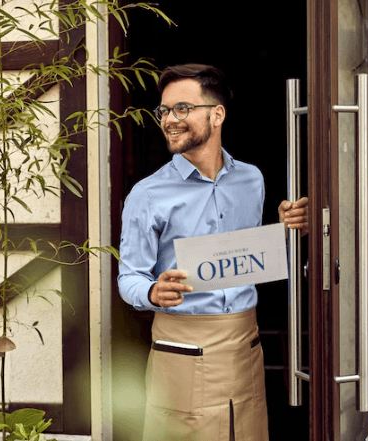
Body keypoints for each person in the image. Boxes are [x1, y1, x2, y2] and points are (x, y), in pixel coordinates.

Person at [117, 63, 308, 441]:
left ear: (216, 114)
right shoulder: (147, 194)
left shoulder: (251, 179)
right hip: (182, 352)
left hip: (244, 346)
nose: (170, 119)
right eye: (165, 111)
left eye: (182, 108)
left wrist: (286, 229)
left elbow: (246, 255)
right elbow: (129, 277)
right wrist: (153, 292)